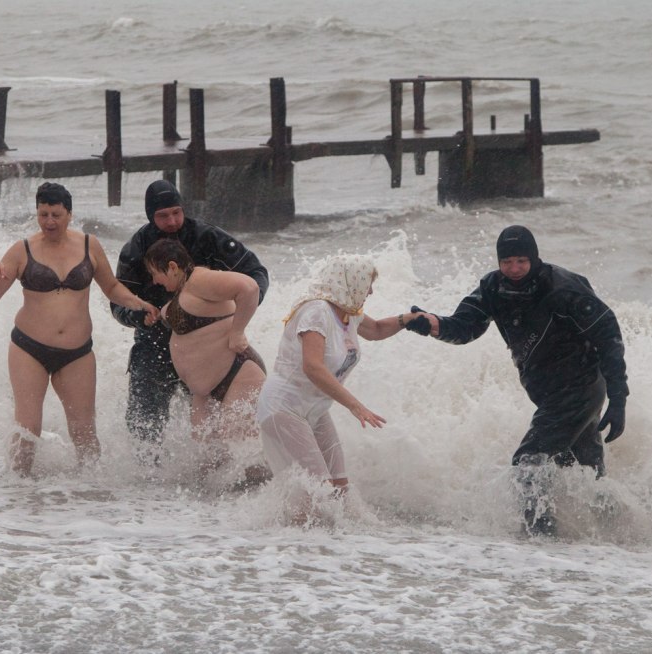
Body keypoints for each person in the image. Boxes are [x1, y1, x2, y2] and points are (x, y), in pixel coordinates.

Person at [406, 225, 628, 536]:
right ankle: (620, 532)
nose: (514, 269)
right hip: (549, 395)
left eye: (521, 261)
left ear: (534, 258)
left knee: (528, 466)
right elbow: (464, 326)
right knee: (582, 472)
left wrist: (619, 398)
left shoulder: (563, 288)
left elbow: (609, 336)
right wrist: (433, 325)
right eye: (507, 262)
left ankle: (539, 544)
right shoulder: (493, 288)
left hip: (580, 388)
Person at [0, 182, 159, 476]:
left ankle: (88, 494)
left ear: (69, 214)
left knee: (85, 432)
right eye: (44, 214)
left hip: (76, 353)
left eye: (56, 215)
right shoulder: (22, 250)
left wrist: (140, 304)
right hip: (29, 349)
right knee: (28, 429)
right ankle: (15, 491)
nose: (49, 221)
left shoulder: (89, 245)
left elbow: (111, 287)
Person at [256, 255, 425, 525]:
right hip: (283, 407)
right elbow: (313, 367)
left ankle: (343, 548)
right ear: (351, 281)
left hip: (315, 409)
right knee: (319, 486)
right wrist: (356, 405)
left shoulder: (347, 313)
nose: (370, 291)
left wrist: (410, 319)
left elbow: (378, 329)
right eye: (367, 284)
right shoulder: (316, 310)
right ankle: (294, 546)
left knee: (339, 486)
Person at [110, 179, 269, 458]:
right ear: (150, 216)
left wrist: (236, 320)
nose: (172, 221)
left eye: (176, 212)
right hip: (155, 345)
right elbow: (117, 301)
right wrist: (138, 317)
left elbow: (255, 276)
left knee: (220, 429)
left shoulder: (207, 236)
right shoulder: (135, 249)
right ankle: (149, 491)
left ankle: (223, 482)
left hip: (208, 350)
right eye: (163, 216)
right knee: (143, 425)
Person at [143, 239, 270, 480]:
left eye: (155, 273)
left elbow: (250, 288)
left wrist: (237, 331)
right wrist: (156, 315)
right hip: (206, 390)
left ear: (172, 267)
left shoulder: (199, 279)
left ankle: (272, 502)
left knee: (246, 455)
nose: (154, 281)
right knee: (207, 462)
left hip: (238, 375)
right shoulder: (185, 289)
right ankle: (208, 517)